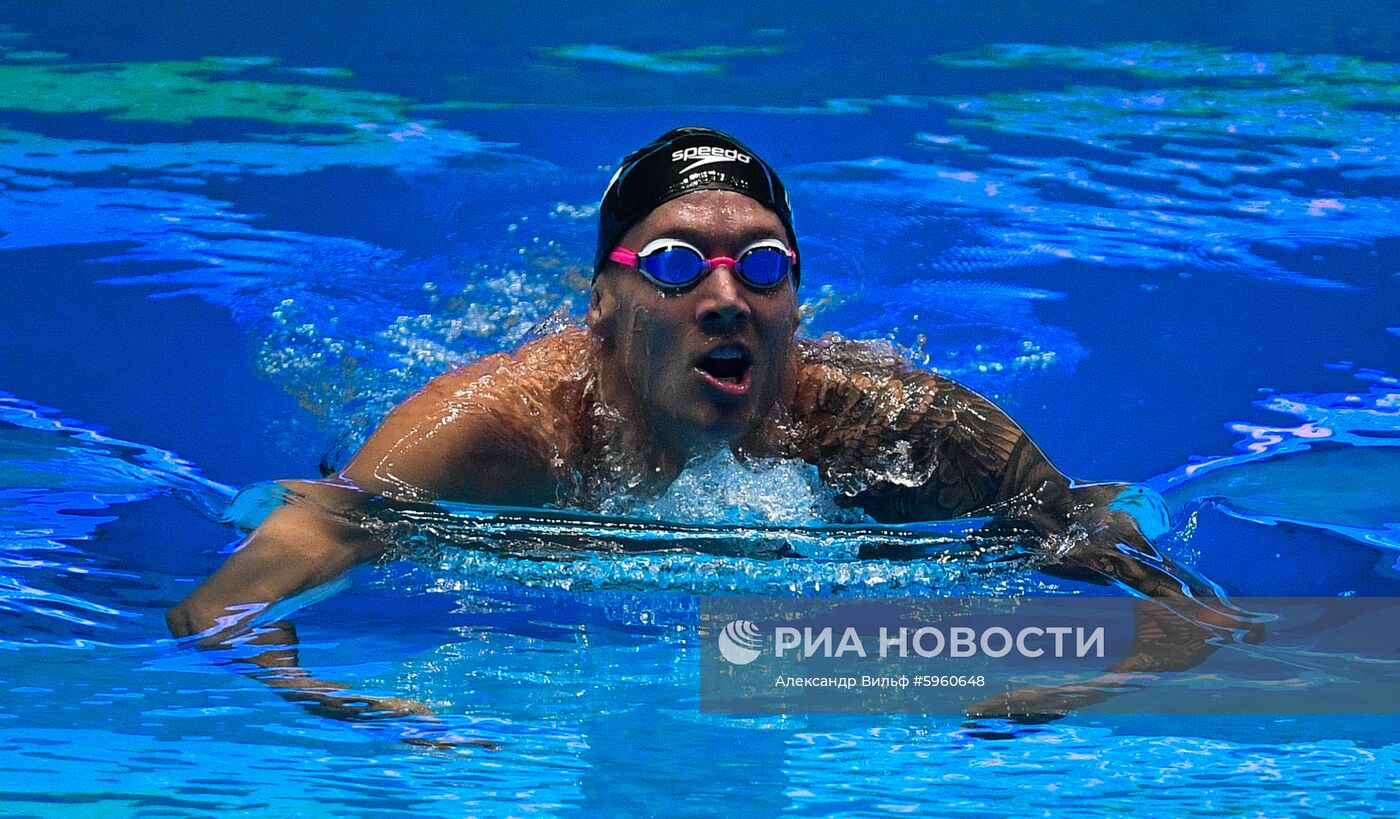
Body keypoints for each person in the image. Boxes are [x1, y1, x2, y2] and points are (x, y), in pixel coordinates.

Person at [168, 127, 1257, 727]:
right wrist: (301, 686)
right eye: (678, 263)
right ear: (600, 304)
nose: (726, 296)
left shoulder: (902, 430)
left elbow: (1181, 604)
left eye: (764, 266)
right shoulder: (495, 428)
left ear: (795, 308)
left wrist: (1082, 684)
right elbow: (251, 575)